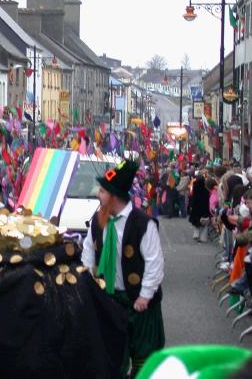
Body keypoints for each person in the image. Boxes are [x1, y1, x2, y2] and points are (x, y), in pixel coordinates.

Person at [82, 159, 165, 378]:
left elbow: (154, 263)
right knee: (111, 355)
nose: (98, 195)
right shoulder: (97, 220)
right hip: (109, 298)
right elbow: (88, 253)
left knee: (144, 357)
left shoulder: (143, 224)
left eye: (102, 191)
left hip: (139, 302)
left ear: (113, 195)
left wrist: (145, 296)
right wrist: (89, 285)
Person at [189, 175, 211, 242]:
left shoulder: (195, 186)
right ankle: (203, 237)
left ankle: (196, 234)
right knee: (204, 222)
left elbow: (193, 196)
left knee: (196, 221)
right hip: (205, 206)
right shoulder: (206, 186)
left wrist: (191, 205)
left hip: (196, 206)